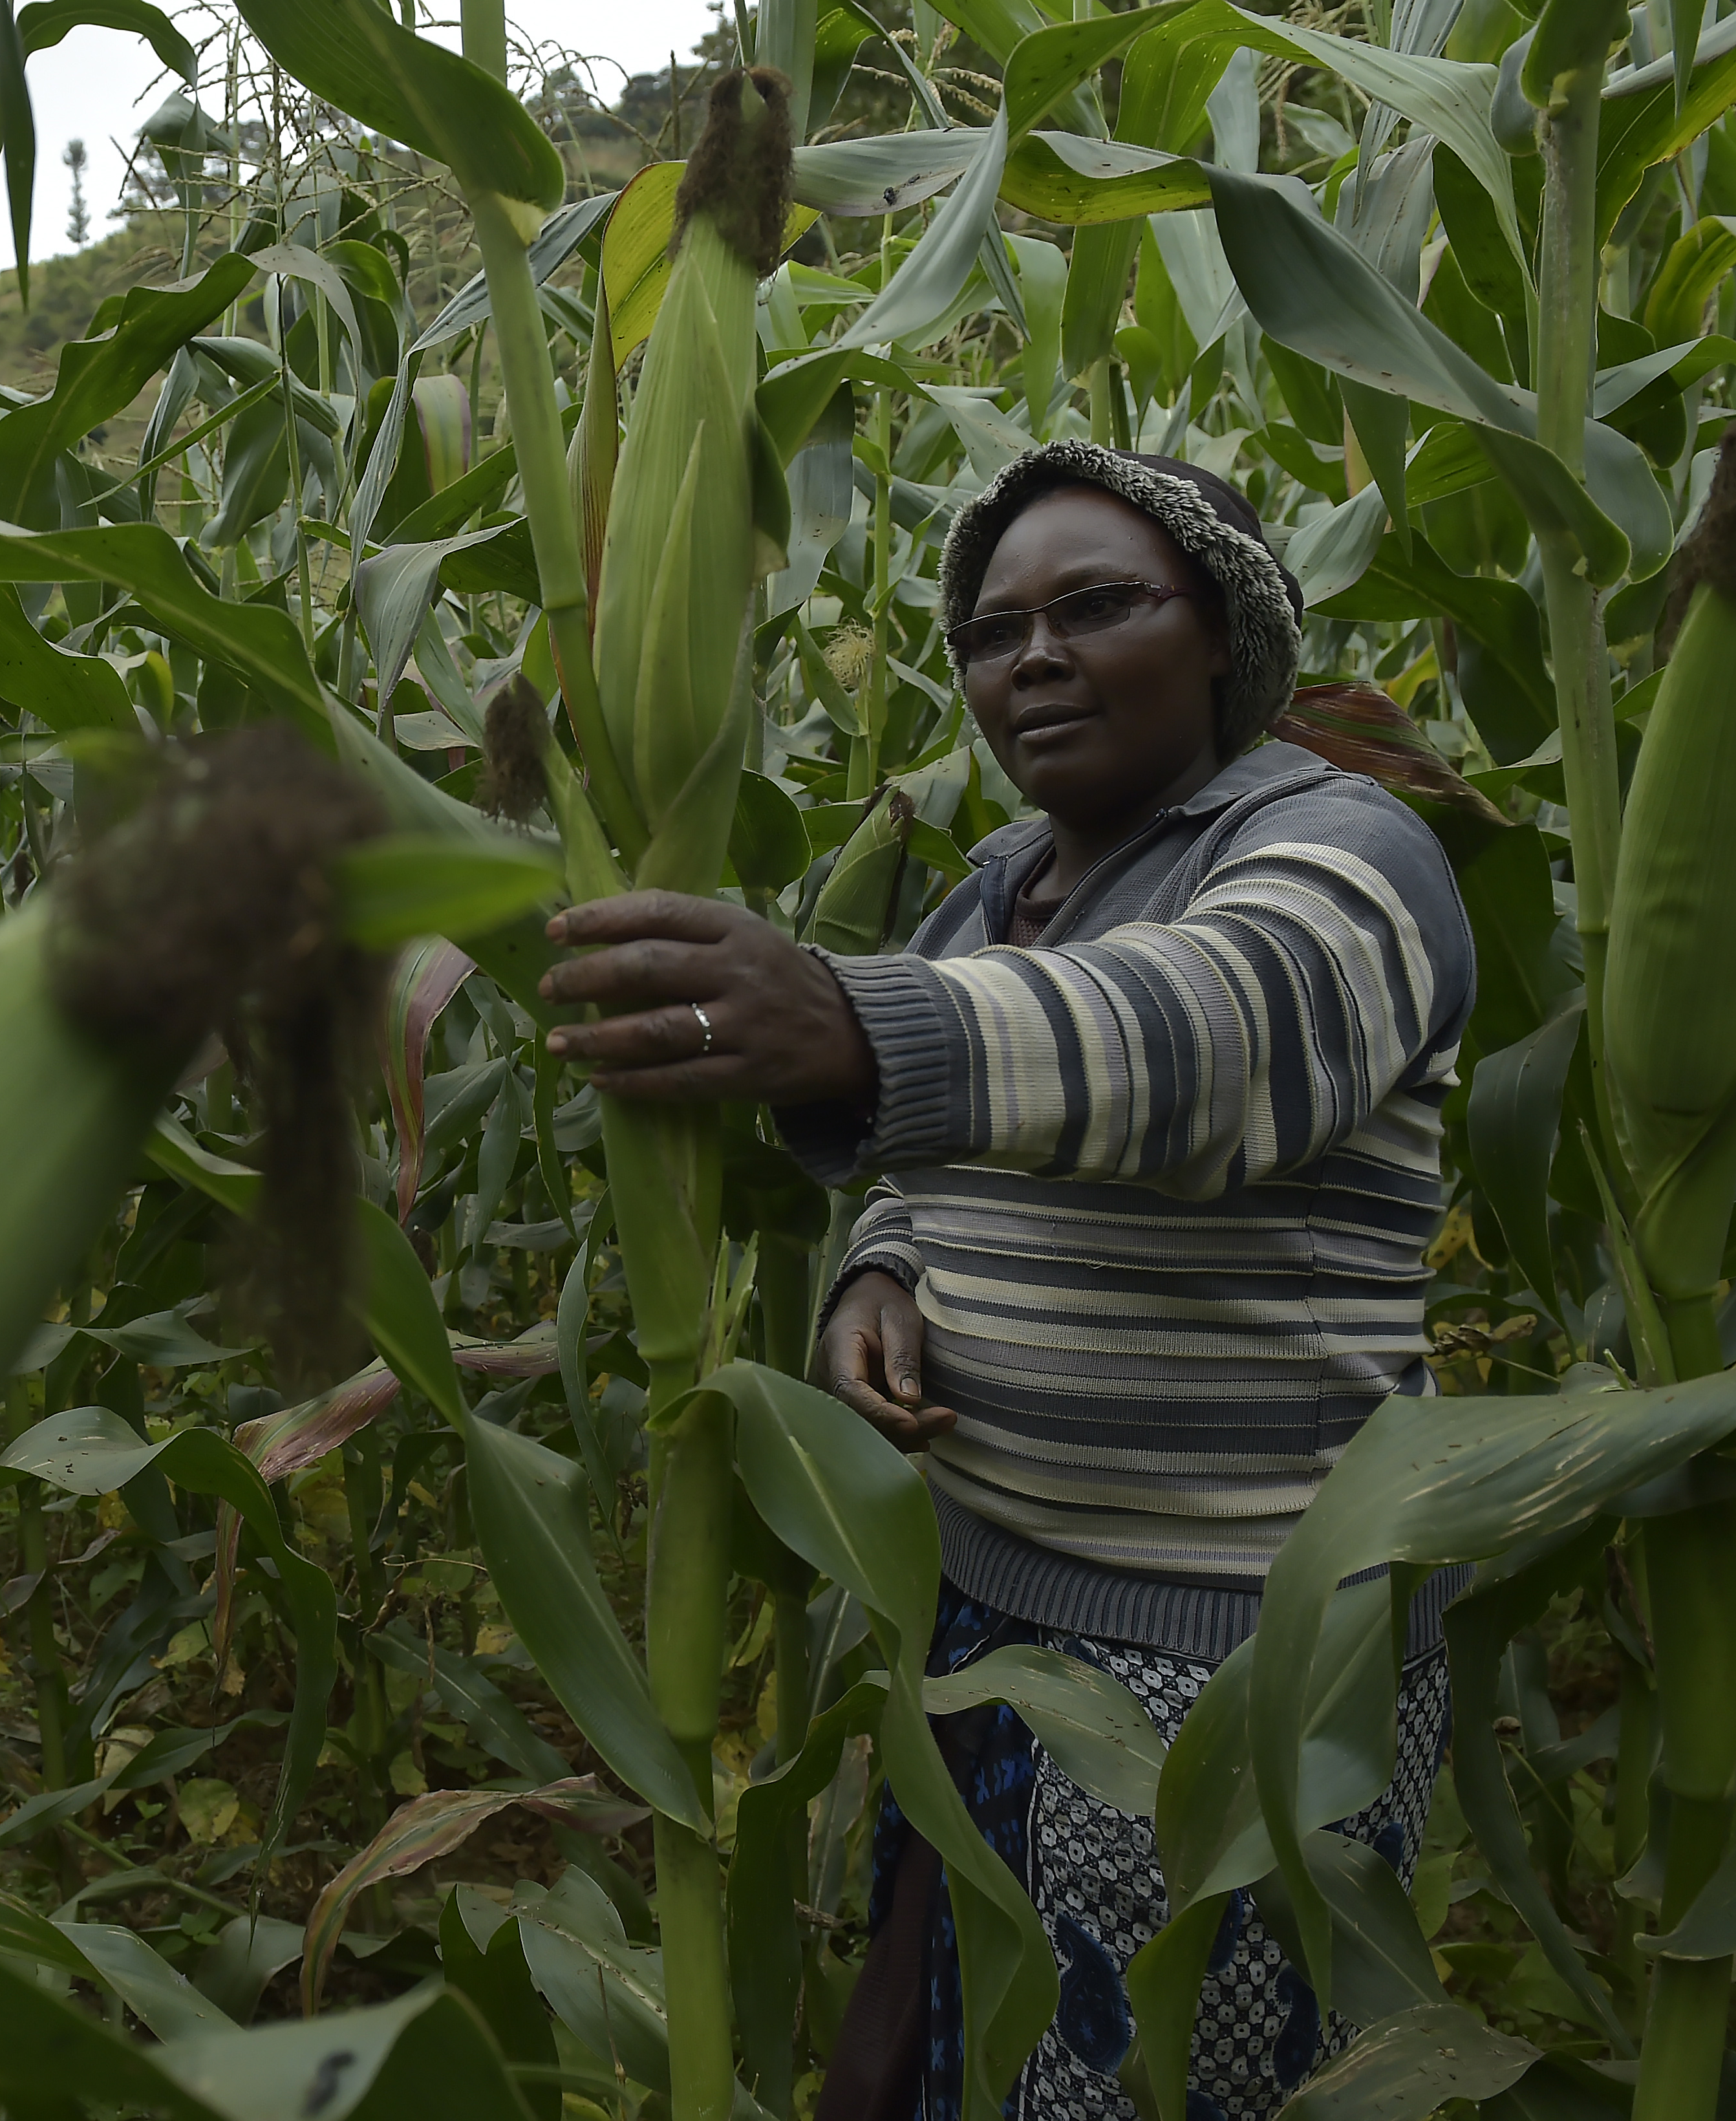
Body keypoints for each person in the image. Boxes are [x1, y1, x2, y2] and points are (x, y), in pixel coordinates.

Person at [533, 442, 1475, 2120]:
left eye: (1096, 606)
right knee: (928, 2037)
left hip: (1229, 1673)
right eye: (989, 631)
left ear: (1223, 639)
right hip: (978, 1616)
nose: (1029, 654)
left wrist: (844, 1017)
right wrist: (881, 1274)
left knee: (1138, 2087)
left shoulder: (1343, 850)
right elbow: (947, 1155)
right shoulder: (995, 892)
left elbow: (1209, 1042)